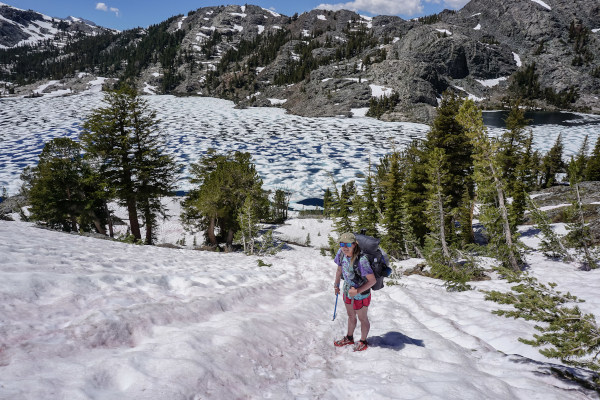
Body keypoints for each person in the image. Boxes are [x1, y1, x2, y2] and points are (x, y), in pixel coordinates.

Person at [333, 232, 376, 351]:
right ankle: (349, 337)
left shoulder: (362, 260)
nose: (345, 247)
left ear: (354, 244)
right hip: (347, 290)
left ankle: (363, 341)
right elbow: (339, 270)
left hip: (361, 294)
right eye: (342, 244)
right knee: (351, 316)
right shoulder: (341, 253)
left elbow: (372, 281)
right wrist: (336, 285)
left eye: (348, 244)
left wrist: (357, 291)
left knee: (362, 318)